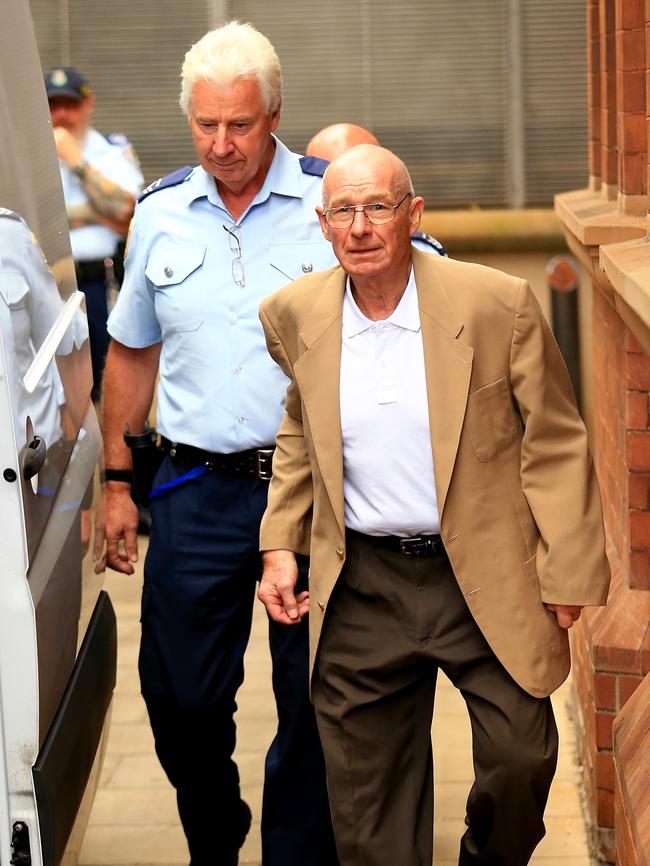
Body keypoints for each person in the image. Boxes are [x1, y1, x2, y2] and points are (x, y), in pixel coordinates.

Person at [257, 144, 611, 866]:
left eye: (378, 207)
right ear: (322, 225)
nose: (359, 227)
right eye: (343, 212)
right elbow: (299, 429)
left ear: (412, 214)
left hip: (481, 572)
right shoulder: (293, 313)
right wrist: (280, 544)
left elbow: (555, 438)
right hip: (361, 584)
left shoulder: (493, 303)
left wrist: (569, 571)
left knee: (521, 758)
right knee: (369, 812)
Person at [101, 22, 337, 866]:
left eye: (239, 124)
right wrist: (117, 483)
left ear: (274, 114)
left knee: (314, 696)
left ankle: (296, 851)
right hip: (193, 488)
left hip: (308, 494)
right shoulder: (160, 213)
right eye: (205, 125)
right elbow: (130, 350)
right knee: (177, 696)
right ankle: (216, 832)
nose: (222, 144)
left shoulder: (325, 204)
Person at [45, 67, 144, 400]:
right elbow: (29, 219)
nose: (61, 114)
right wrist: (97, 214)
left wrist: (76, 161)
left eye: (69, 104)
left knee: (108, 381)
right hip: (48, 283)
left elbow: (126, 212)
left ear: (88, 104)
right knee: (58, 389)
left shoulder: (109, 151)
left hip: (99, 283)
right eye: (52, 104)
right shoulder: (30, 157)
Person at [307, 122, 446, 257]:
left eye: (377, 206)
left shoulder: (421, 255)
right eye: (320, 174)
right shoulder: (293, 240)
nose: (359, 229)